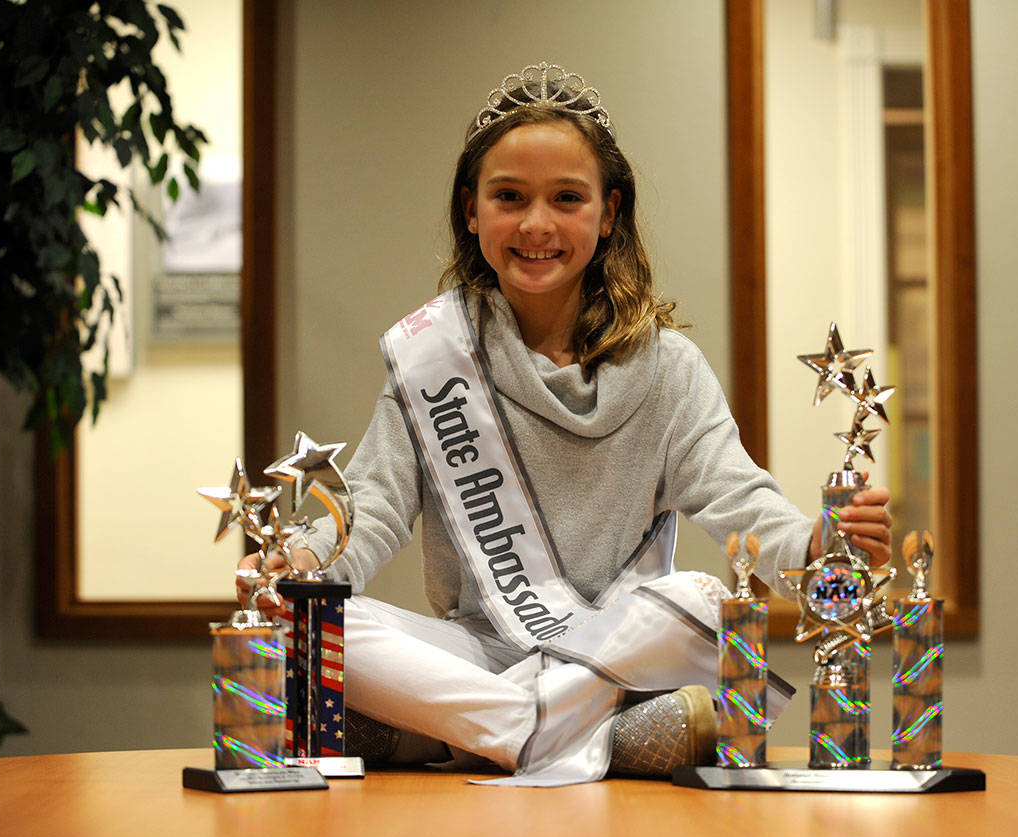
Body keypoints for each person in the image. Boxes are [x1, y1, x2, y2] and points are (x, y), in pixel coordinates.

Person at [237, 62, 892, 786]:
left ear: (608, 213)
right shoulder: (433, 358)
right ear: (470, 210)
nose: (537, 224)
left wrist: (820, 547)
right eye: (509, 197)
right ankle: (558, 733)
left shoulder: (669, 370)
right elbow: (373, 506)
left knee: (699, 598)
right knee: (312, 624)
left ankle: (467, 733)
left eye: (567, 198)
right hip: (480, 656)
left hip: (624, 649)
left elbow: (745, 501)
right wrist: (298, 562)